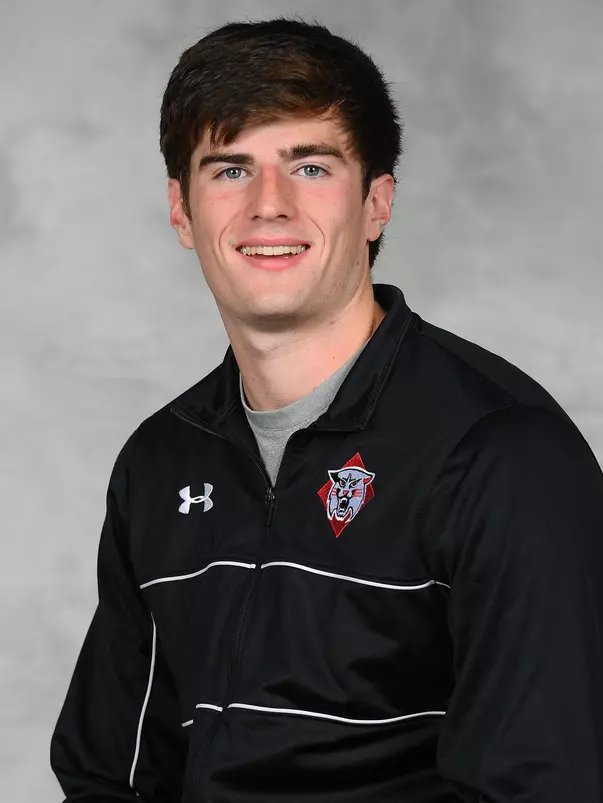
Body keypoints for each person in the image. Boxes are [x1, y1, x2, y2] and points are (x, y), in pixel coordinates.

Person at [50, 16, 603, 803]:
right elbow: (111, 772)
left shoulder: (501, 455)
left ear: (376, 204)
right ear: (182, 210)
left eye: (309, 167)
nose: (267, 206)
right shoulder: (160, 460)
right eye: (230, 169)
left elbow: (539, 784)